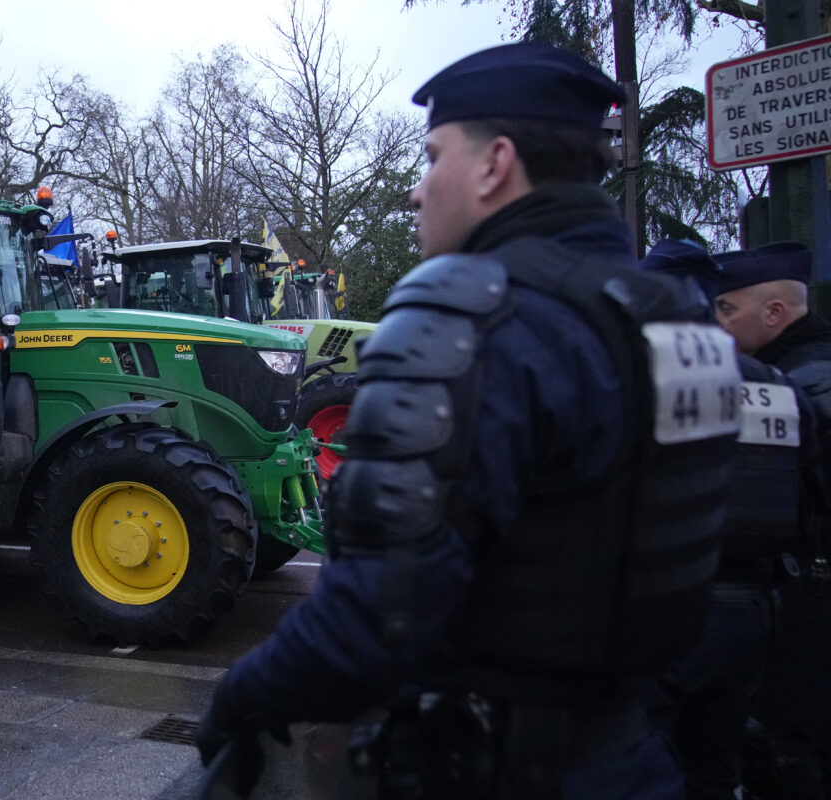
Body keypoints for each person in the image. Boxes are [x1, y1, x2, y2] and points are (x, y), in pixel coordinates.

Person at [197, 42, 744, 799]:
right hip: (635, 755)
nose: (418, 192)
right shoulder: (676, 319)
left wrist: (242, 696)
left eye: (433, 157)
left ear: (494, 166)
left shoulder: (468, 322)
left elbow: (372, 621)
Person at [637, 239, 822, 800]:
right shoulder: (779, 385)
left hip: (663, 610)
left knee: (639, 769)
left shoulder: (635, 376)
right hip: (752, 616)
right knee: (715, 773)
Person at [714, 243, 831, 799]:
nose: (716, 324)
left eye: (726, 310)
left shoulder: (806, 381)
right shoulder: (795, 373)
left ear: (775, 313)